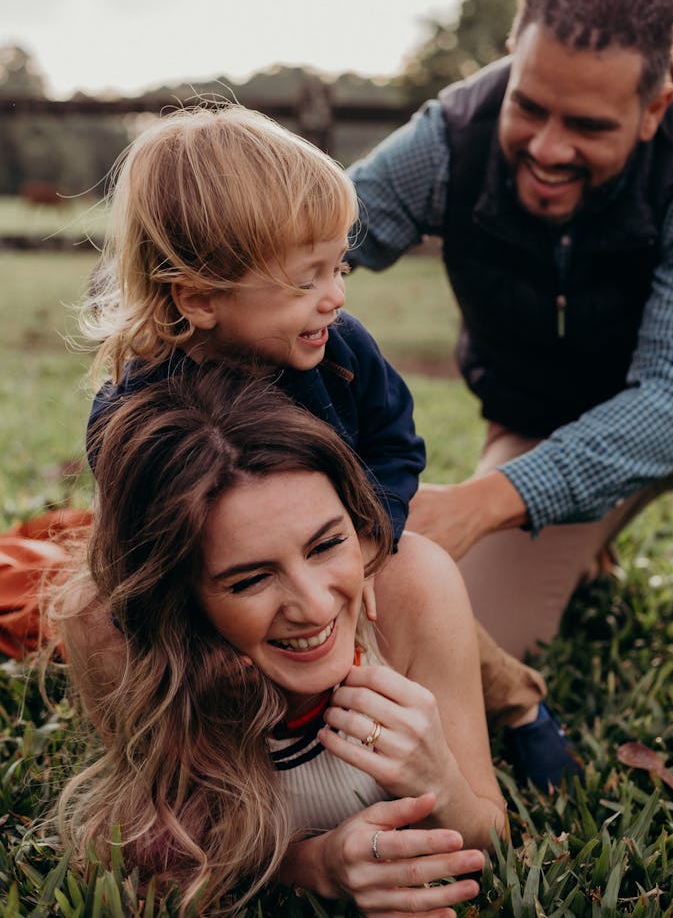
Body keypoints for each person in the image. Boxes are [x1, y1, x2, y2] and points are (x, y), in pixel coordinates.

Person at [345, 0, 673, 712]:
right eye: (530, 106)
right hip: (542, 423)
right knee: (451, 638)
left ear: (654, 108)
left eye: (589, 125)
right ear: (509, 59)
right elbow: (309, 236)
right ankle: (581, 528)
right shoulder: (449, 134)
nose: (547, 146)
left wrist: (482, 503)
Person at [81, 102, 576, 786]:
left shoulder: (340, 351)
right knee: (98, 617)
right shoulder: (135, 410)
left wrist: (370, 537)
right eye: (304, 278)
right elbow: (133, 537)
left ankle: (520, 705)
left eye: (338, 266)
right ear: (197, 298)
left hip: (340, 553)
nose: (335, 295)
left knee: (423, 589)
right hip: (225, 586)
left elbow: (397, 445)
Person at [54, 365, 506, 915]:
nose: (316, 606)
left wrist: (442, 780)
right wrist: (317, 865)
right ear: (178, 592)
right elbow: (162, 856)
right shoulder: (109, 629)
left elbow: (491, 832)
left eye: (327, 544)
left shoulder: (415, 584)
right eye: (250, 579)